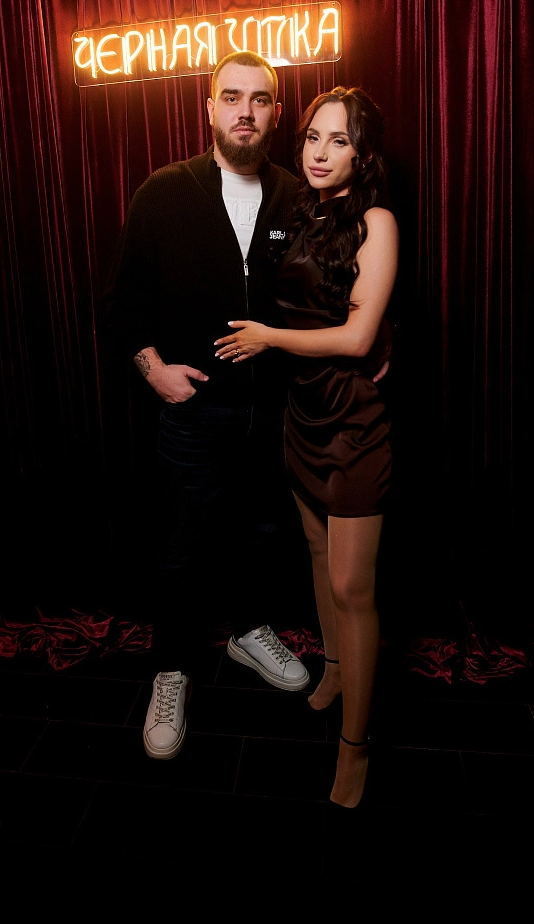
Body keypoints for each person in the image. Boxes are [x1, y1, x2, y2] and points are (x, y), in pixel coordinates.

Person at [101, 51, 311, 761]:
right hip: (193, 412)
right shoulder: (164, 191)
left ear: (276, 113)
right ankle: (172, 671)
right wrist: (156, 372)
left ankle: (249, 632)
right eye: (231, 97)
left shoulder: (297, 197)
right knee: (183, 547)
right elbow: (124, 303)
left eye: (260, 99)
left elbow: (330, 295)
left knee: (263, 534)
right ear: (210, 108)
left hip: (275, 412)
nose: (245, 111)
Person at [214, 86, 398, 808]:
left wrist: (268, 339)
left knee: (354, 587)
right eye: (314, 137)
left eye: (339, 141)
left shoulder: (376, 220)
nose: (320, 153)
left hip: (353, 420)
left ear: (363, 154)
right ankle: (336, 671)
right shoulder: (301, 210)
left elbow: (356, 336)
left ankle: (357, 749)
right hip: (303, 411)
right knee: (318, 556)